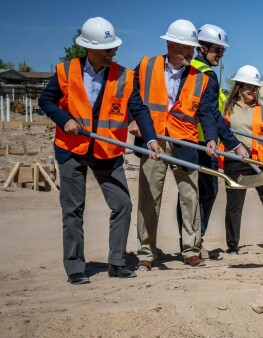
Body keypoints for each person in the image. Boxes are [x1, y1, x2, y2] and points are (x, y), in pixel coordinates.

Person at [39, 17, 162, 285]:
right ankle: (75, 267)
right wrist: (64, 119)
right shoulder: (65, 71)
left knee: (123, 205)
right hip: (71, 148)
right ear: (89, 49)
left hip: (108, 150)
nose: (113, 53)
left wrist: (151, 139)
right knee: (73, 209)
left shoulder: (125, 76)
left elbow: (139, 110)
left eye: (114, 48)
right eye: (107, 49)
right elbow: (45, 101)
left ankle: (116, 263)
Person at [132, 19, 212, 270]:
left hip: (185, 142)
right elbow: (128, 96)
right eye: (185, 47)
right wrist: (133, 121)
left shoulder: (201, 78)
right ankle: (146, 252)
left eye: (192, 47)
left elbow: (208, 113)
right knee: (149, 197)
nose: (189, 52)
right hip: (153, 140)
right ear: (170, 44)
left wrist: (210, 137)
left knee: (190, 196)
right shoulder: (146, 66)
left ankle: (190, 249)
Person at [175, 23, 247, 259]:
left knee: (191, 194)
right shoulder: (204, 74)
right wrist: (233, 143)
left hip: (197, 140)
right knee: (202, 194)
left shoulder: (193, 69)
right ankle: (195, 241)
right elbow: (210, 113)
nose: (221, 55)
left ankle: (191, 241)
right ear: (202, 48)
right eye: (217, 50)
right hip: (201, 143)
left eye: (223, 50)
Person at [221, 65, 263, 253]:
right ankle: (232, 245)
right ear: (239, 87)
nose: (253, 90)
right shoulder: (228, 108)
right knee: (235, 204)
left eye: (255, 87)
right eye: (249, 86)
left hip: (259, 161)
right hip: (235, 161)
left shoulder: (262, 110)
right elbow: (220, 130)